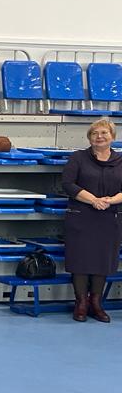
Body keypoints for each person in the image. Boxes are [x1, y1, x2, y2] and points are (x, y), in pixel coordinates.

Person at [62, 118, 122, 323]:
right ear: (89, 137)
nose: (99, 137)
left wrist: (111, 200)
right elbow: (68, 184)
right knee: (80, 260)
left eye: (104, 133)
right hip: (81, 216)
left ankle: (96, 303)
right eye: (95, 133)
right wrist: (94, 200)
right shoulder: (78, 158)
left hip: (109, 217)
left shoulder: (121, 161)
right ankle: (81, 303)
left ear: (112, 136)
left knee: (102, 261)